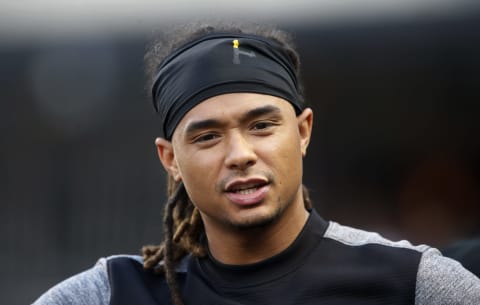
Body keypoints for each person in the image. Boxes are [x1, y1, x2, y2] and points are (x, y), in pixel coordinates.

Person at [33, 23, 480, 305]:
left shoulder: (411, 283)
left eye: (262, 126)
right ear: (170, 159)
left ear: (303, 131)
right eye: (208, 136)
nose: (240, 154)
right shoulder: (111, 293)